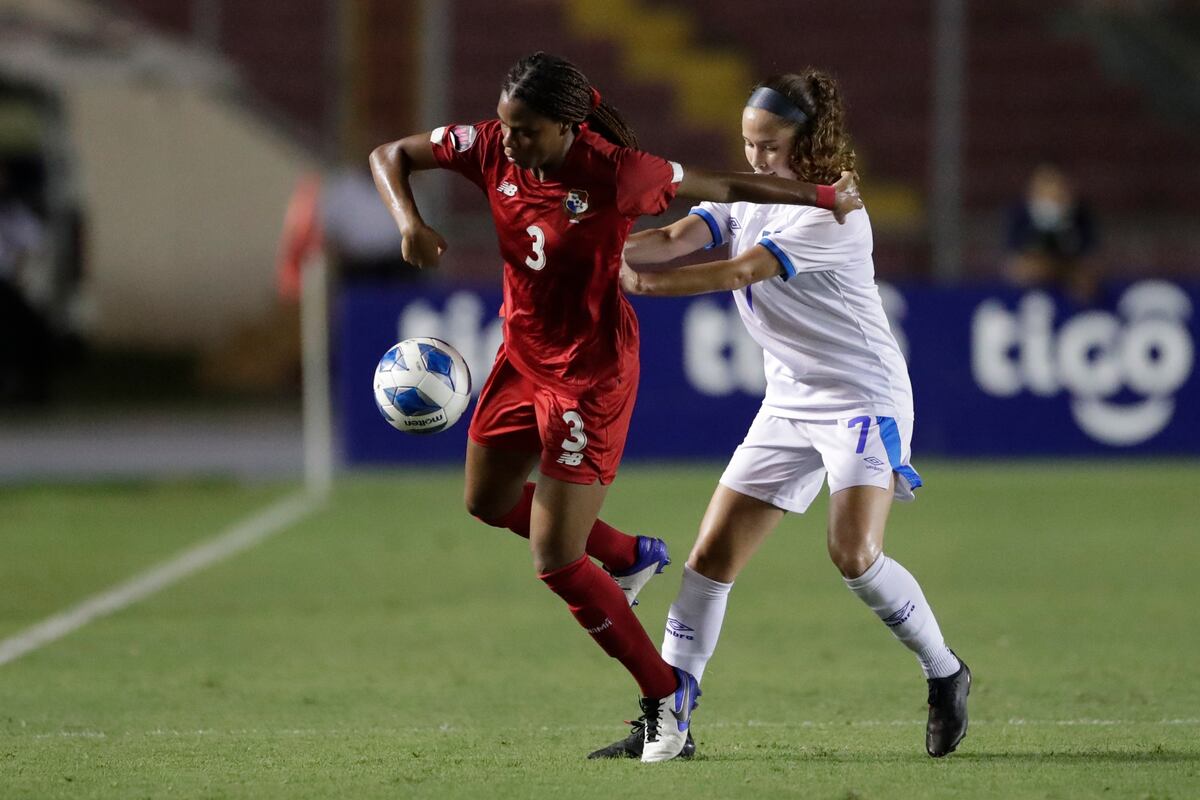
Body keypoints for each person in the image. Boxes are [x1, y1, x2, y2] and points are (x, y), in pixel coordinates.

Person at [370, 52, 862, 763]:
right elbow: (390, 155)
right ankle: (630, 556)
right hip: (521, 359)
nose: (510, 141)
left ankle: (666, 696)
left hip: (590, 376)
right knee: (485, 501)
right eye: (506, 125)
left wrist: (821, 197)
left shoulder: (620, 172)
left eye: (527, 130)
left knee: (555, 560)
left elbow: (723, 183)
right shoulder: (489, 146)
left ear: (568, 127)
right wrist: (408, 223)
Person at [587, 69, 971, 761]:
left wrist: (640, 284)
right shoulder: (752, 195)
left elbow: (740, 271)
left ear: (809, 140)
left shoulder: (834, 213)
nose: (756, 158)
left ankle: (945, 671)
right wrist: (588, 247)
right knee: (709, 559)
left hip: (860, 398)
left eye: (770, 146)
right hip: (789, 400)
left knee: (854, 556)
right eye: (749, 144)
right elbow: (673, 238)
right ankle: (669, 723)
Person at [1003, 163, 1099, 304]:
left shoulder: (1081, 216)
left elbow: (1091, 260)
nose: (1051, 198)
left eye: (1057, 193)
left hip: (1071, 281)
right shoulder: (1019, 217)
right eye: (1045, 192)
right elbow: (1014, 265)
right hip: (1034, 291)